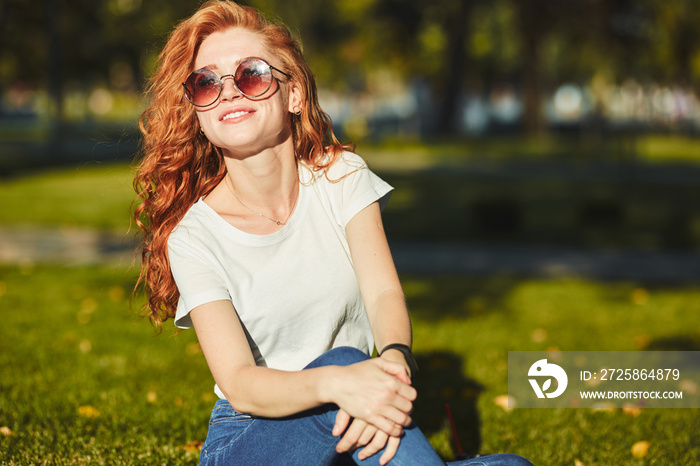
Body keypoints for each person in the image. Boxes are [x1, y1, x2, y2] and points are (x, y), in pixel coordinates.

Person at [133, 1, 532, 465]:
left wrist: (396, 358)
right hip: (252, 439)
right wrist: (338, 382)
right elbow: (240, 383)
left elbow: (383, 293)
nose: (229, 93)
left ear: (294, 94)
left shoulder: (342, 178)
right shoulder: (194, 236)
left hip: (353, 419)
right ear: (197, 112)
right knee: (345, 362)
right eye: (206, 82)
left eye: (252, 75)